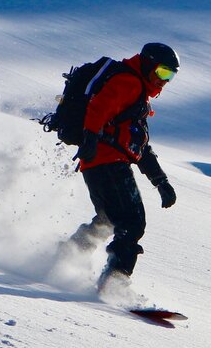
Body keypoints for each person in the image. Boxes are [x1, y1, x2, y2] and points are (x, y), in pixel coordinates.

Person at [66, 42, 180, 291]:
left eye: (170, 76)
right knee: (132, 221)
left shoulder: (138, 95)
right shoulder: (129, 83)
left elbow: (139, 147)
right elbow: (99, 107)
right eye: (162, 72)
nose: (164, 81)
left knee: (108, 219)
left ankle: (65, 256)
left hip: (98, 163)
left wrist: (161, 181)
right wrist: (90, 138)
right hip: (107, 161)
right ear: (148, 64)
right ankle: (114, 282)